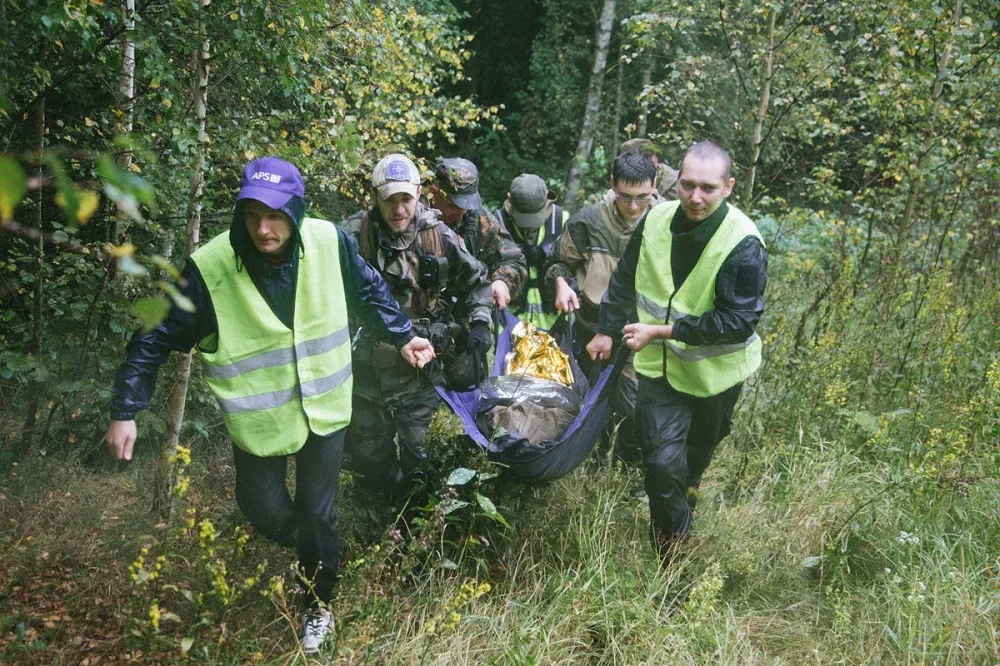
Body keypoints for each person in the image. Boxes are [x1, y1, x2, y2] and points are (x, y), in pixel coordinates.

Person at [104, 157, 435, 653]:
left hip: (325, 409)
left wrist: (404, 334)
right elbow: (153, 336)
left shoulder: (328, 241)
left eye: (276, 215)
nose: (263, 229)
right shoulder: (209, 268)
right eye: (253, 214)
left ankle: (318, 604)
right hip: (260, 423)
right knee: (261, 509)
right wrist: (126, 408)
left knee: (318, 512)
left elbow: (369, 290)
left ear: (296, 212)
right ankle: (320, 548)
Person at [586, 141, 768, 561]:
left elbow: (738, 322)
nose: (695, 197)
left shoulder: (743, 243)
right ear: (675, 180)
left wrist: (662, 331)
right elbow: (624, 279)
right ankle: (673, 561)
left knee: (690, 469)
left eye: (708, 188)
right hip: (658, 372)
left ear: (728, 187)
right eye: (687, 185)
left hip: (715, 379)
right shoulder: (656, 219)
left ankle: (682, 512)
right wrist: (607, 331)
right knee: (660, 465)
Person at [341, 153, 492, 481]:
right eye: (389, 200)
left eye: (406, 199)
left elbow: (477, 283)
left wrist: (480, 322)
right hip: (366, 369)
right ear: (374, 196)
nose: (399, 209)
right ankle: (383, 495)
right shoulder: (351, 236)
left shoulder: (437, 235)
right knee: (369, 462)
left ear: (419, 194)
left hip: (421, 370)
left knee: (422, 463)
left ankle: (413, 501)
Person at [544, 150, 663, 464]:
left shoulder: (667, 222)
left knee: (633, 406)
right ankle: (585, 460)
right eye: (625, 197)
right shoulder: (588, 221)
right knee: (586, 398)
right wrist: (560, 283)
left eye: (642, 197)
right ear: (612, 184)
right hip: (590, 326)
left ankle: (625, 469)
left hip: (643, 330)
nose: (634, 206)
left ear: (654, 185)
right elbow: (557, 263)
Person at [426, 157, 527, 311]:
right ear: (434, 192)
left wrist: (502, 282)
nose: (461, 213)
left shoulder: (476, 218)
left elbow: (513, 260)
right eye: (454, 205)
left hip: (465, 312)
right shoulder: (410, 214)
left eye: (466, 205)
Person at [497, 173, 570, 330]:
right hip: (511, 324)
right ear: (509, 199)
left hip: (555, 324)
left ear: (547, 198)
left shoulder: (563, 220)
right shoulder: (497, 223)